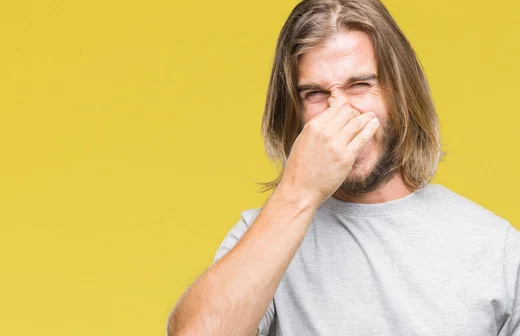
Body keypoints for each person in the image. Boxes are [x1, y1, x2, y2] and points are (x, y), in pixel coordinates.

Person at [166, 0, 520, 335]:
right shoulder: (266, 236)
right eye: (315, 94)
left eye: (360, 85)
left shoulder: (496, 248)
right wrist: (299, 190)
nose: (340, 112)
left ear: (401, 93)